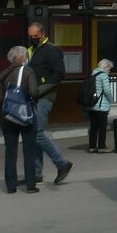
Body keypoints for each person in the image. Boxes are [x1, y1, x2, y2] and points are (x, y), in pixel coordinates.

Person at [26, 22, 72, 185]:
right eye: (30, 36)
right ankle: (36, 173)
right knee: (34, 133)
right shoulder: (31, 51)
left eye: (35, 36)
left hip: (45, 96)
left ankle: (62, 163)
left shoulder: (51, 50)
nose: (33, 38)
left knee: (37, 132)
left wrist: (41, 89)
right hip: (33, 97)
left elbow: (59, 73)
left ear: (43, 34)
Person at [0, 46, 40, 193]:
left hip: (8, 116)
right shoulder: (27, 71)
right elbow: (34, 91)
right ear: (21, 58)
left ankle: (11, 186)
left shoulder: (3, 74)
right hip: (25, 115)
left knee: (10, 151)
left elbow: (0, 97)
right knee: (29, 150)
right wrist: (33, 101)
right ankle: (30, 185)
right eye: (25, 56)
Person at [85, 58, 114, 153]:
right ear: (105, 67)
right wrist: (111, 99)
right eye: (109, 68)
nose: (109, 71)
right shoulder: (103, 75)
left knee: (93, 126)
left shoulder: (93, 74)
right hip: (101, 105)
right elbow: (107, 90)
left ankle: (92, 146)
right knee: (102, 127)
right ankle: (102, 147)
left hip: (91, 104)